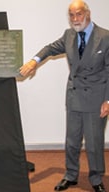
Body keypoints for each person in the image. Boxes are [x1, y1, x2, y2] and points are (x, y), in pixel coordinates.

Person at [20, 1, 109, 192]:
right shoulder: (69, 35)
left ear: (88, 13)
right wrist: (34, 61)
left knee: (94, 143)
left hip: (96, 98)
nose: (75, 19)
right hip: (74, 95)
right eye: (71, 15)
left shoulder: (105, 37)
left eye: (78, 14)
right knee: (72, 140)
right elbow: (50, 48)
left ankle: (95, 178)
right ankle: (70, 175)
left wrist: (108, 100)